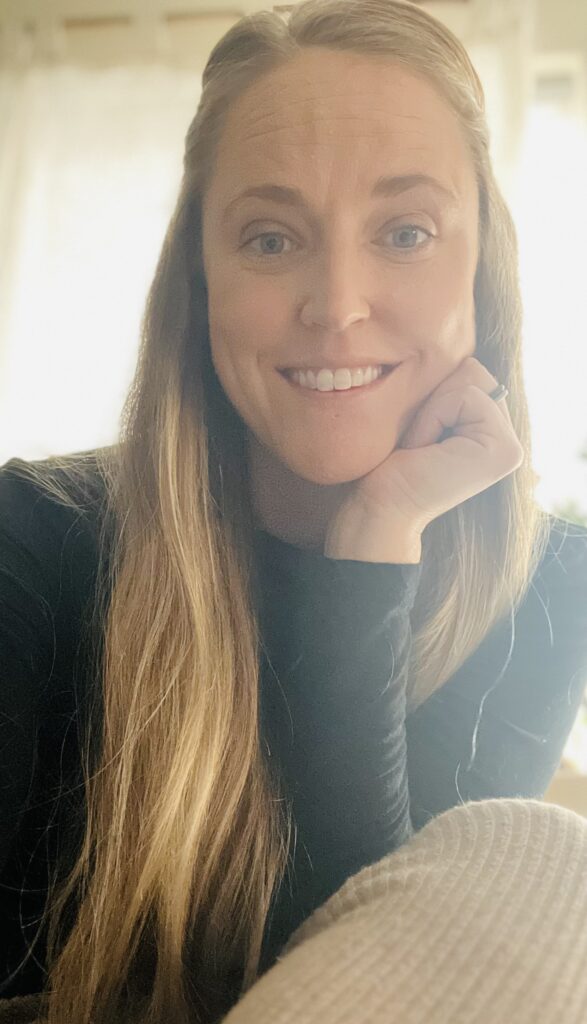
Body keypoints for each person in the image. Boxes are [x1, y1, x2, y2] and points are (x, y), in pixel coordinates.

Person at [1, 1, 587, 1022]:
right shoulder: (31, 540)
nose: (336, 303)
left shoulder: (548, 581)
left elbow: (392, 989)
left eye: (404, 232)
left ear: (481, 267)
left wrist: (372, 544)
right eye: (270, 239)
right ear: (201, 281)